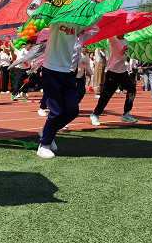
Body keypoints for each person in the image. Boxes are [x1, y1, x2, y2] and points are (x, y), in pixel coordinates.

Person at [36, 21, 91, 158]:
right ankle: (44, 145)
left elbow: (95, 21)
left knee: (73, 110)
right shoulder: (56, 21)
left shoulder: (77, 25)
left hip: (68, 72)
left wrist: (103, 2)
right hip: (51, 69)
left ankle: (47, 130)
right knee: (57, 112)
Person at [89, 34, 139, 126]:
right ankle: (95, 114)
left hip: (123, 72)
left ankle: (126, 113)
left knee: (132, 89)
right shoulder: (113, 41)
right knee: (106, 95)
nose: (121, 33)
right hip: (113, 72)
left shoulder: (126, 41)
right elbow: (109, 33)